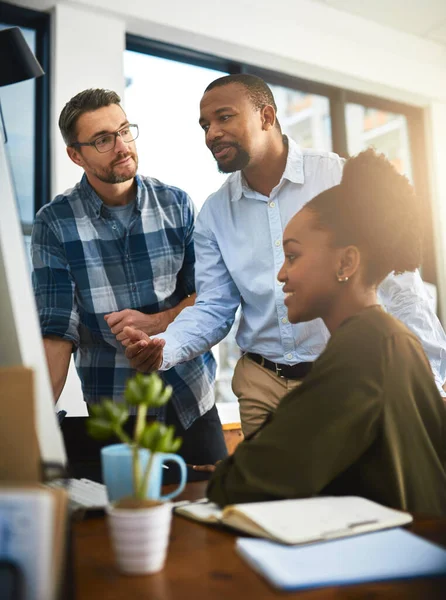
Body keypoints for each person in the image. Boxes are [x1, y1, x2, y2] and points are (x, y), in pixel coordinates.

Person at [124, 74, 446, 439]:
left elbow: (400, 287)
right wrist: (163, 349)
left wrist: (431, 382)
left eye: (224, 117)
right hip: (262, 386)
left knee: (347, 492)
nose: (211, 133)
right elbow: (214, 307)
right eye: (204, 125)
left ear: (266, 116)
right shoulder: (214, 214)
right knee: (265, 494)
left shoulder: (338, 178)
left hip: (344, 378)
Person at [206, 148, 446, 516]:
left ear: (346, 262)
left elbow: (241, 484)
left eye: (294, 256)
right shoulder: (391, 339)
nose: (281, 275)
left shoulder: (362, 351)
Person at [31, 88, 227, 478]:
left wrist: (157, 322)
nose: (121, 146)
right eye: (103, 139)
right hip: (119, 417)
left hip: (192, 403)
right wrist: (32, 429)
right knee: (127, 532)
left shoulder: (177, 204)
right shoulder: (54, 223)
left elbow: (208, 297)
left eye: (124, 130)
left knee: (210, 523)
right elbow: (56, 335)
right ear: (76, 155)